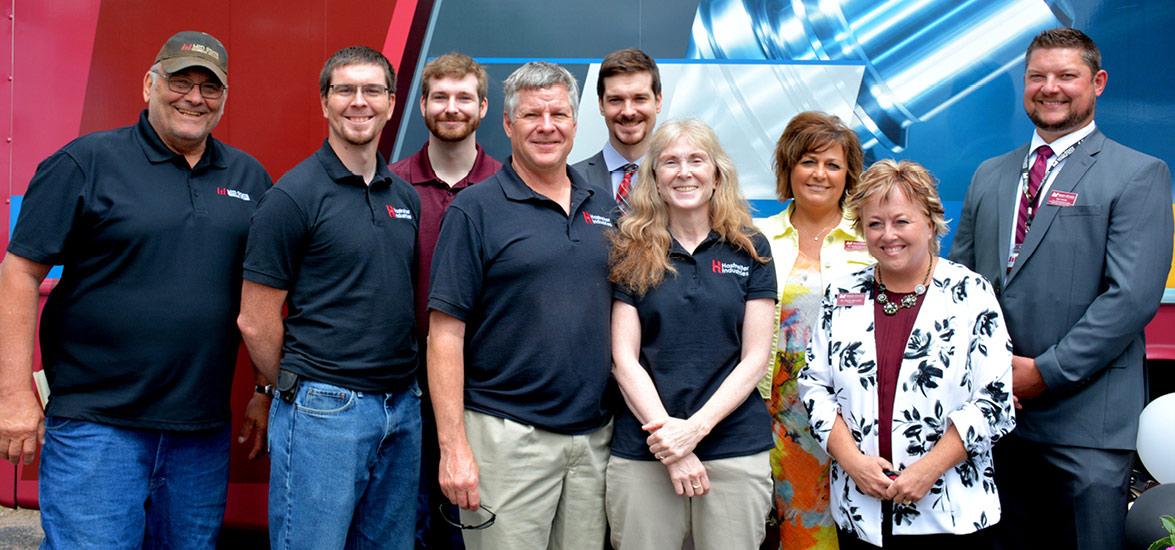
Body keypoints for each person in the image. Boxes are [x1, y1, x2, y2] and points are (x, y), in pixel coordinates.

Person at [0, 31, 271, 548]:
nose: (194, 98)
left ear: (224, 98)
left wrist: (262, 388)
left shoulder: (249, 177)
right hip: (98, 428)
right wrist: (12, 393)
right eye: (180, 82)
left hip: (199, 433)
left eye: (209, 88)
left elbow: (260, 292)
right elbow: (19, 273)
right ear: (149, 83)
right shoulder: (86, 162)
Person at [949, 28, 1174, 550]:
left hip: (1087, 426)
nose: (1050, 87)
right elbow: (958, 289)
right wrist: (993, 374)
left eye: (1066, 76)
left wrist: (1041, 374)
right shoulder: (989, 176)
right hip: (995, 423)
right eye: (1037, 76)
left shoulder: (1138, 174)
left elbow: (1131, 298)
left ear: (1097, 83)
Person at [236, 45, 421, 550]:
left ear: (390, 102)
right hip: (325, 410)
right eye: (345, 90)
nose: (358, 102)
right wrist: (299, 390)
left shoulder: (402, 197)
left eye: (371, 91)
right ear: (324, 103)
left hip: (402, 407)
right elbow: (255, 319)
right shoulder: (293, 197)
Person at [428, 61, 615, 550]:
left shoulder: (608, 208)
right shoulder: (475, 209)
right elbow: (445, 334)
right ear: (508, 125)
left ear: (576, 124)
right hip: (506, 440)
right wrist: (454, 450)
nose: (547, 126)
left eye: (558, 114)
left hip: (593, 441)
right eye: (532, 115)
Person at [798, 160, 1015, 549]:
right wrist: (853, 462)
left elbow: (995, 402)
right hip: (861, 510)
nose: (887, 235)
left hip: (950, 515)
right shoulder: (841, 293)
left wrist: (927, 470)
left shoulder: (970, 293)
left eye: (901, 221)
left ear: (930, 223)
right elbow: (814, 385)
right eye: (874, 223)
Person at [606, 119, 776, 549]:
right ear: (655, 180)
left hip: (734, 447)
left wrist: (693, 431)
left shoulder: (751, 247)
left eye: (696, 160)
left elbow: (756, 358)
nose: (684, 172)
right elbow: (623, 360)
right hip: (646, 450)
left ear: (717, 174)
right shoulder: (631, 247)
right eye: (670, 162)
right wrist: (673, 446)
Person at [389, 51, 501, 550]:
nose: (451, 108)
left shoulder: (509, 187)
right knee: (405, 524)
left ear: (482, 108)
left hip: (488, 387)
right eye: (440, 97)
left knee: (471, 528)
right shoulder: (387, 184)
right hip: (404, 384)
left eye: (463, 98)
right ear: (423, 106)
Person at [755, 111, 873, 549]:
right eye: (808, 161)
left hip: (849, 419)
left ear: (848, 175)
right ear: (789, 167)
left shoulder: (875, 237)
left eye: (833, 164)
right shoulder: (756, 238)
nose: (820, 174)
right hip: (772, 415)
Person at [574, 48, 662, 214]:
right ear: (601, 104)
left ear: (658, 101)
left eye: (640, 99)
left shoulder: (679, 180)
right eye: (616, 100)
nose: (628, 112)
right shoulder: (571, 180)